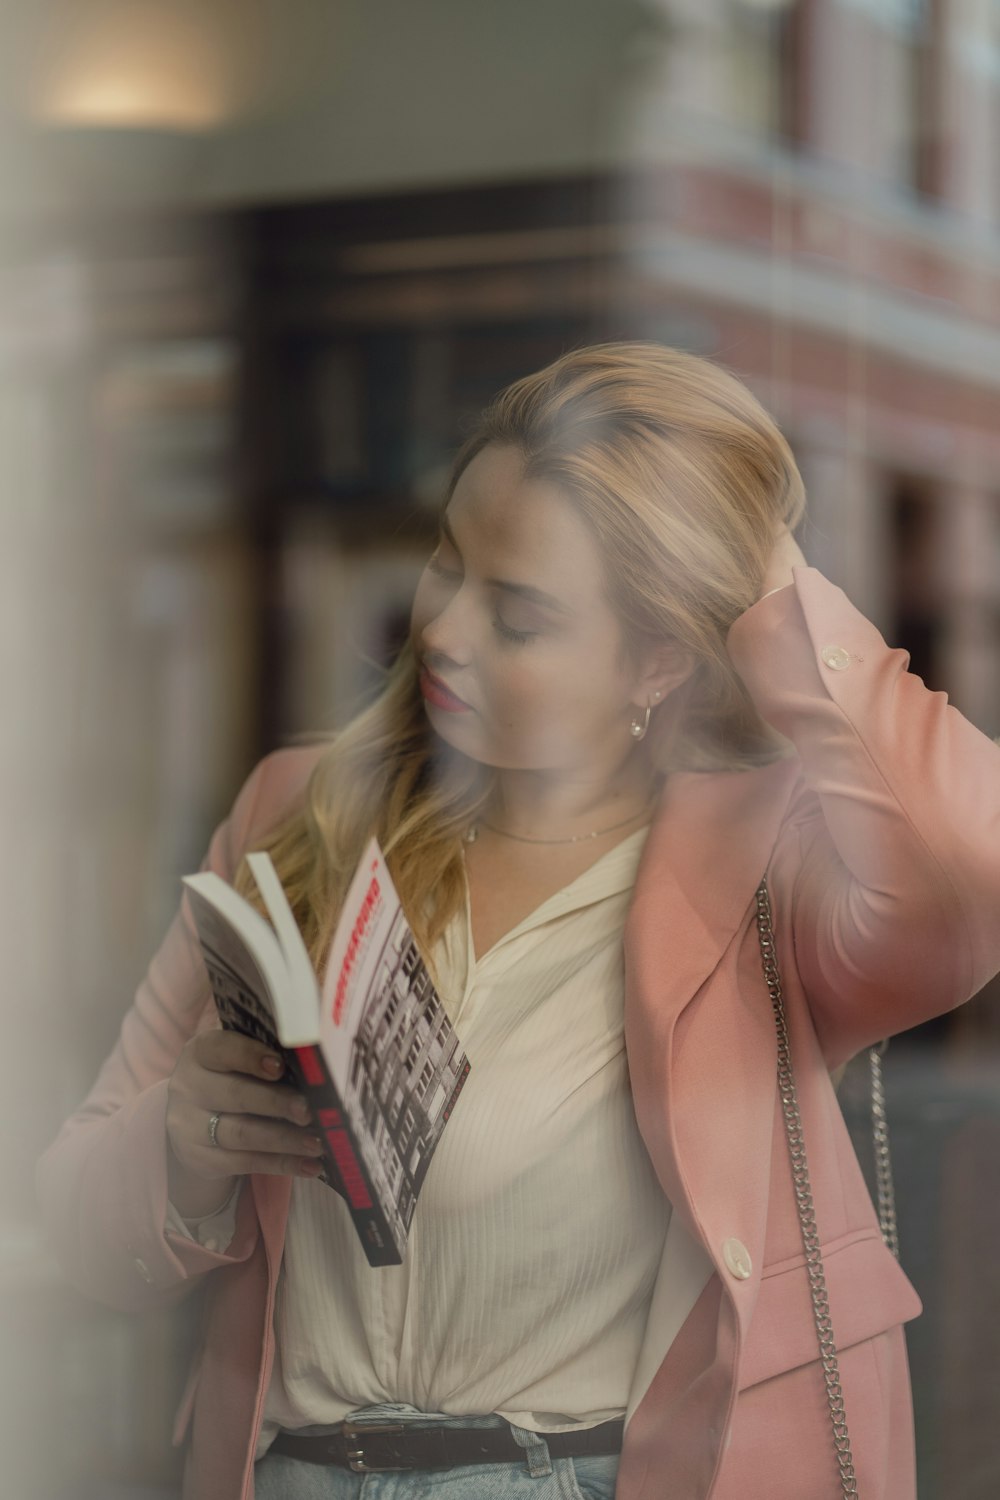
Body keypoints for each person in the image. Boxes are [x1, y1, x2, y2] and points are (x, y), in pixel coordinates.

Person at [37, 342, 1000, 1500]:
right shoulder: (297, 813)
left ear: (657, 660)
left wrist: (770, 582)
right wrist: (184, 1146)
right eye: (446, 563)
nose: (443, 631)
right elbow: (82, 1223)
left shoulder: (772, 870)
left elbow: (970, 862)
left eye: (522, 615)